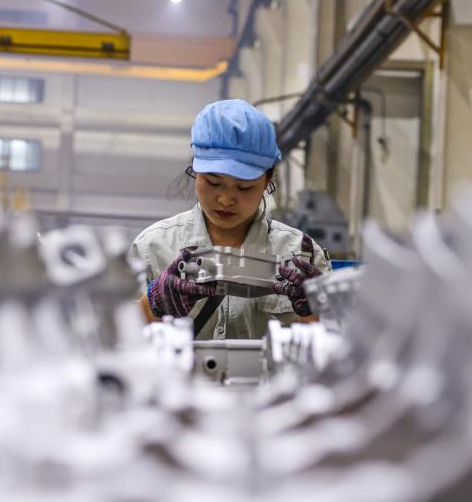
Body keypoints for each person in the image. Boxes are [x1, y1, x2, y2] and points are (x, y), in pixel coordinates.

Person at [131, 99, 331, 339]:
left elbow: (335, 347)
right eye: (213, 182)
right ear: (195, 171)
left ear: (267, 182)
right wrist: (153, 305)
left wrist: (315, 310)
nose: (225, 199)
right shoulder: (151, 249)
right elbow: (115, 345)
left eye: (244, 187)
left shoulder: (302, 254)